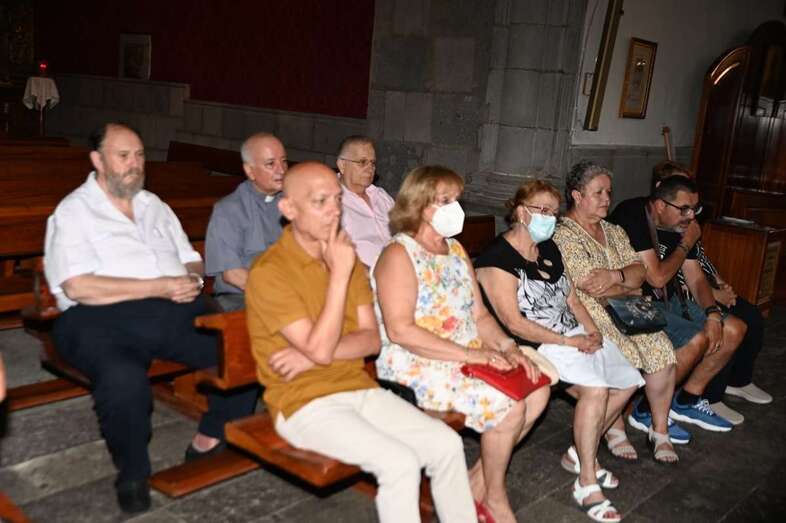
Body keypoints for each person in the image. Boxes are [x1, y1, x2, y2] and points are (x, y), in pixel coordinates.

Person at [43, 123, 258, 514]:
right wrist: (160, 286)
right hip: (97, 318)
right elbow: (78, 286)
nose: (135, 164)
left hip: (170, 310)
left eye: (140, 155)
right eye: (123, 156)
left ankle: (210, 438)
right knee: (123, 380)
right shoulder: (74, 211)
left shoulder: (154, 205)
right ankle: (132, 472)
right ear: (97, 160)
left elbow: (191, 258)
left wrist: (192, 280)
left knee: (244, 347)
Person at [245, 161, 477, 523]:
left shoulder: (346, 258)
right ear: (288, 208)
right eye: (320, 201)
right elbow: (321, 348)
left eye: (337, 200)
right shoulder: (270, 272)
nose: (334, 210)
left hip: (359, 388)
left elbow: (370, 340)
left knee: (446, 444)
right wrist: (338, 277)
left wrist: (314, 354)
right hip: (303, 403)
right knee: (399, 462)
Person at [373, 165, 550, 523]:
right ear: (420, 204)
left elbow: (480, 315)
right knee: (510, 407)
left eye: (456, 200)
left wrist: (509, 349)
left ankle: (475, 485)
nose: (455, 208)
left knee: (537, 389)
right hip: (417, 362)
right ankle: (495, 498)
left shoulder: (454, 249)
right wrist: (475, 355)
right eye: (445, 201)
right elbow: (401, 331)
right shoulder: (398, 255)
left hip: (465, 354)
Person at [475, 180, 643, 522]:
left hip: (571, 332)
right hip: (536, 342)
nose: (549, 218)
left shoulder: (548, 247)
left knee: (628, 379)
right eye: (542, 210)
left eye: (553, 212)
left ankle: (580, 454)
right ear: (521, 212)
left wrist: (592, 332)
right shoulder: (497, 258)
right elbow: (514, 323)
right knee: (596, 390)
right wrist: (570, 342)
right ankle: (586, 481)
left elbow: (573, 300)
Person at [553, 162, 682, 464]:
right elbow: (587, 285)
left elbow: (641, 273)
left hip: (627, 309)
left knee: (662, 349)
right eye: (598, 192)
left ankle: (659, 431)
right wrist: (627, 284)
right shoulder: (564, 234)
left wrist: (614, 277)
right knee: (626, 354)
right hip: (587, 312)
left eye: (608, 192)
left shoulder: (614, 230)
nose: (607, 199)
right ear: (577, 195)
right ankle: (613, 426)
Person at [609, 174, 745, 433]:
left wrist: (713, 314)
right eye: (684, 209)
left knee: (734, 329)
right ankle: (647, 411)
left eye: (695, 209)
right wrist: (686, 243)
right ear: (661, 205)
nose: (691, 216)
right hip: (634, 301)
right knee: (696, 339)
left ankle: (687, 400)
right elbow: (657, 277)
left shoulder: (682, 224)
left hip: (670, 300)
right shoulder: (633, 214)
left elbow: (695, 278)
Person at [649, 161, 772, 422]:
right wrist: (714, 299)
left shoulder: (686, 224)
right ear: (661, 192)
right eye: (682, 199)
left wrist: (719, 283)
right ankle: (710, 396)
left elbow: (699, 263)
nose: (689, 210)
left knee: (750, 317)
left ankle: (737, 382)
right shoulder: (649, 224)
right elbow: (666, 277)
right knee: (723, 327)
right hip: (676, 296)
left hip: (700, 288)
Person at [204, 133, 287, 311]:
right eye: (271, 164)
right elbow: (233, 275)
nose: (281, 170)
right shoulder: (228, 210)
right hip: (241, 297)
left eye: (284, 161)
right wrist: (281, 296)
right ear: (250, 171)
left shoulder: (293, 203)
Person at [337, 136, 394, 268]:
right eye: (362, 162)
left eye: (372, 163)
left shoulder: (381, 196)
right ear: (342, 165)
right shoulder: (332, 201)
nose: (370, 168)